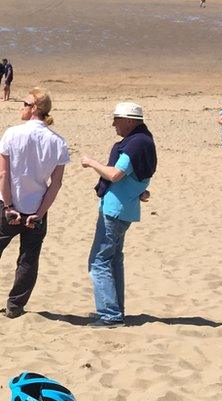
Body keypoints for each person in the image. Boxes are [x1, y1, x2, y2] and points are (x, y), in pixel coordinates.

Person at [0, 88, 69, 319]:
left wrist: (9, 206)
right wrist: (39, 213)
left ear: (34, 108)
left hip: (10, 206)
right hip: (36, 207)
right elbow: (55, 184)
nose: (21, 106)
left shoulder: (12, 134)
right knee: (28, 259)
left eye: (25, 102)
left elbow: (3, 175)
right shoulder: (58, 142)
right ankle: (15, 306)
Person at [80, 102, 157, 328]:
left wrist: (91, 162)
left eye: (117, 119)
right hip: (125, 208)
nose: (114, 124)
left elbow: (115, 174)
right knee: (113, 260)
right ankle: (114, 309)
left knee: (99, 261)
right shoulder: (144, 142)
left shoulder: (135, 144)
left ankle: (110, 314)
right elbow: (138, 176)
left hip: (115, 210)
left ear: (130, 121)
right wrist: (140, 191)